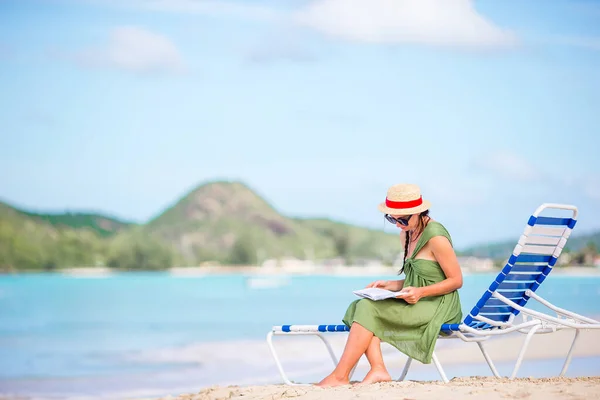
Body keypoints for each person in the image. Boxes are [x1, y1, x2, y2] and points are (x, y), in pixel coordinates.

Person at [317, 183, 463, 387]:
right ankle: (376, 369)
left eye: (402, 218)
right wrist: (389, 285)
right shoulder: (407, 233)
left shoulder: (436, 237)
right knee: (361, 305)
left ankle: (342, 376)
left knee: (368, 310)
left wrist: (420, 292)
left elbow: (456, 281)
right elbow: (420, 278)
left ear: (419, 212)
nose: (397, 224)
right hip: (419, 302)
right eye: (391, 218)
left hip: (439, 306)